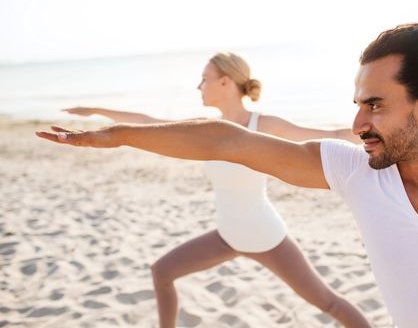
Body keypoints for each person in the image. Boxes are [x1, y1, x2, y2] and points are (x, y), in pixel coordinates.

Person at [36, 23, 418, 328]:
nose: (358, 125)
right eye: (357, 106)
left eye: (374, 105)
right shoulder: (354, 172)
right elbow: (225, 140)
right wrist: (115, 135)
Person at [56, 52, 371, 328]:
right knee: (162, 272)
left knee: (328, 303)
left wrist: (375, 129)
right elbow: (147, 121)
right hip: (227, 235)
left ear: (225, 83)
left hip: (266, 236)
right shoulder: (208, 130)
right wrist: (96, 111)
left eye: (204, 79)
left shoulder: (264, 124)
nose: (199, 86)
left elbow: (331, 134)